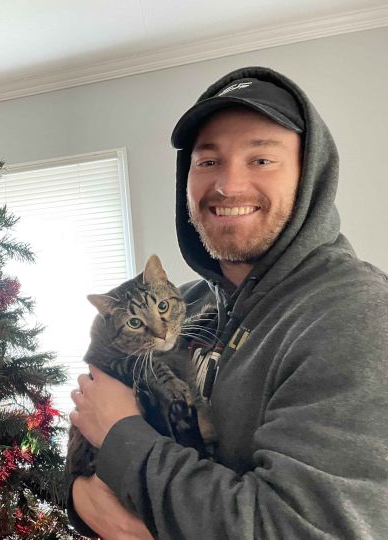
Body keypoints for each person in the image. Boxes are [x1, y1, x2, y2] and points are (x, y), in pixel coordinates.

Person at [68, 66, 388, 539]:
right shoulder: (188, 304)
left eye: (261, 159)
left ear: (310, 176)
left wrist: (121, 437)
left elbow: (297, 528)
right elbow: (89, 428)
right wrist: (80, 497)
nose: (228, 186)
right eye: (208, 161)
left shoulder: (358, 315)